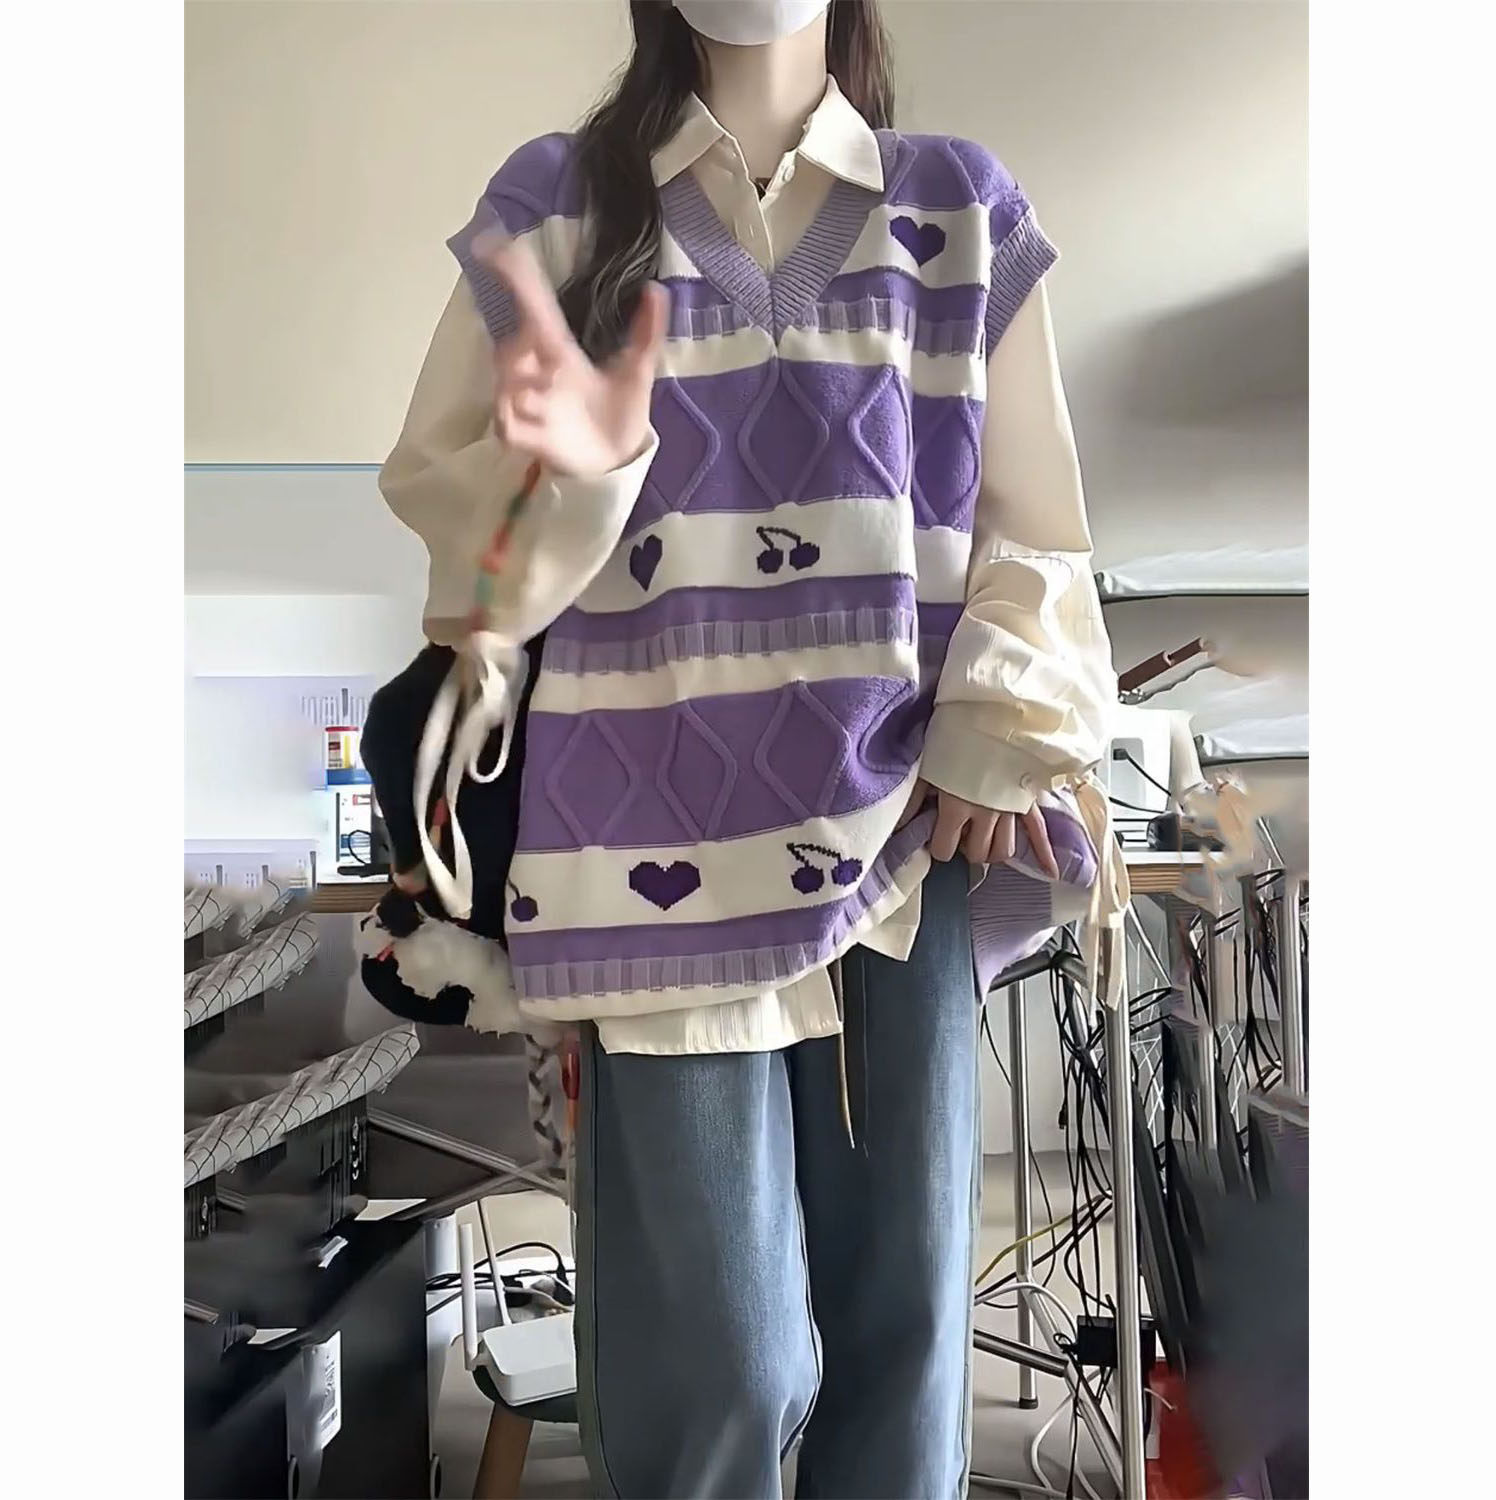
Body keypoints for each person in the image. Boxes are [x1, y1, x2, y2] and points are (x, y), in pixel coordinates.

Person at [379, 3, 1120, 1494]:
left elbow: (1037, 529)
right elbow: (469, 574)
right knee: (713, 1362)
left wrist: (997, 727)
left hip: (905, 841)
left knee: (902, 1335)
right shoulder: (558, 209)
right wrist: (577, 479)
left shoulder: (956, 209)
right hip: (639, 849)